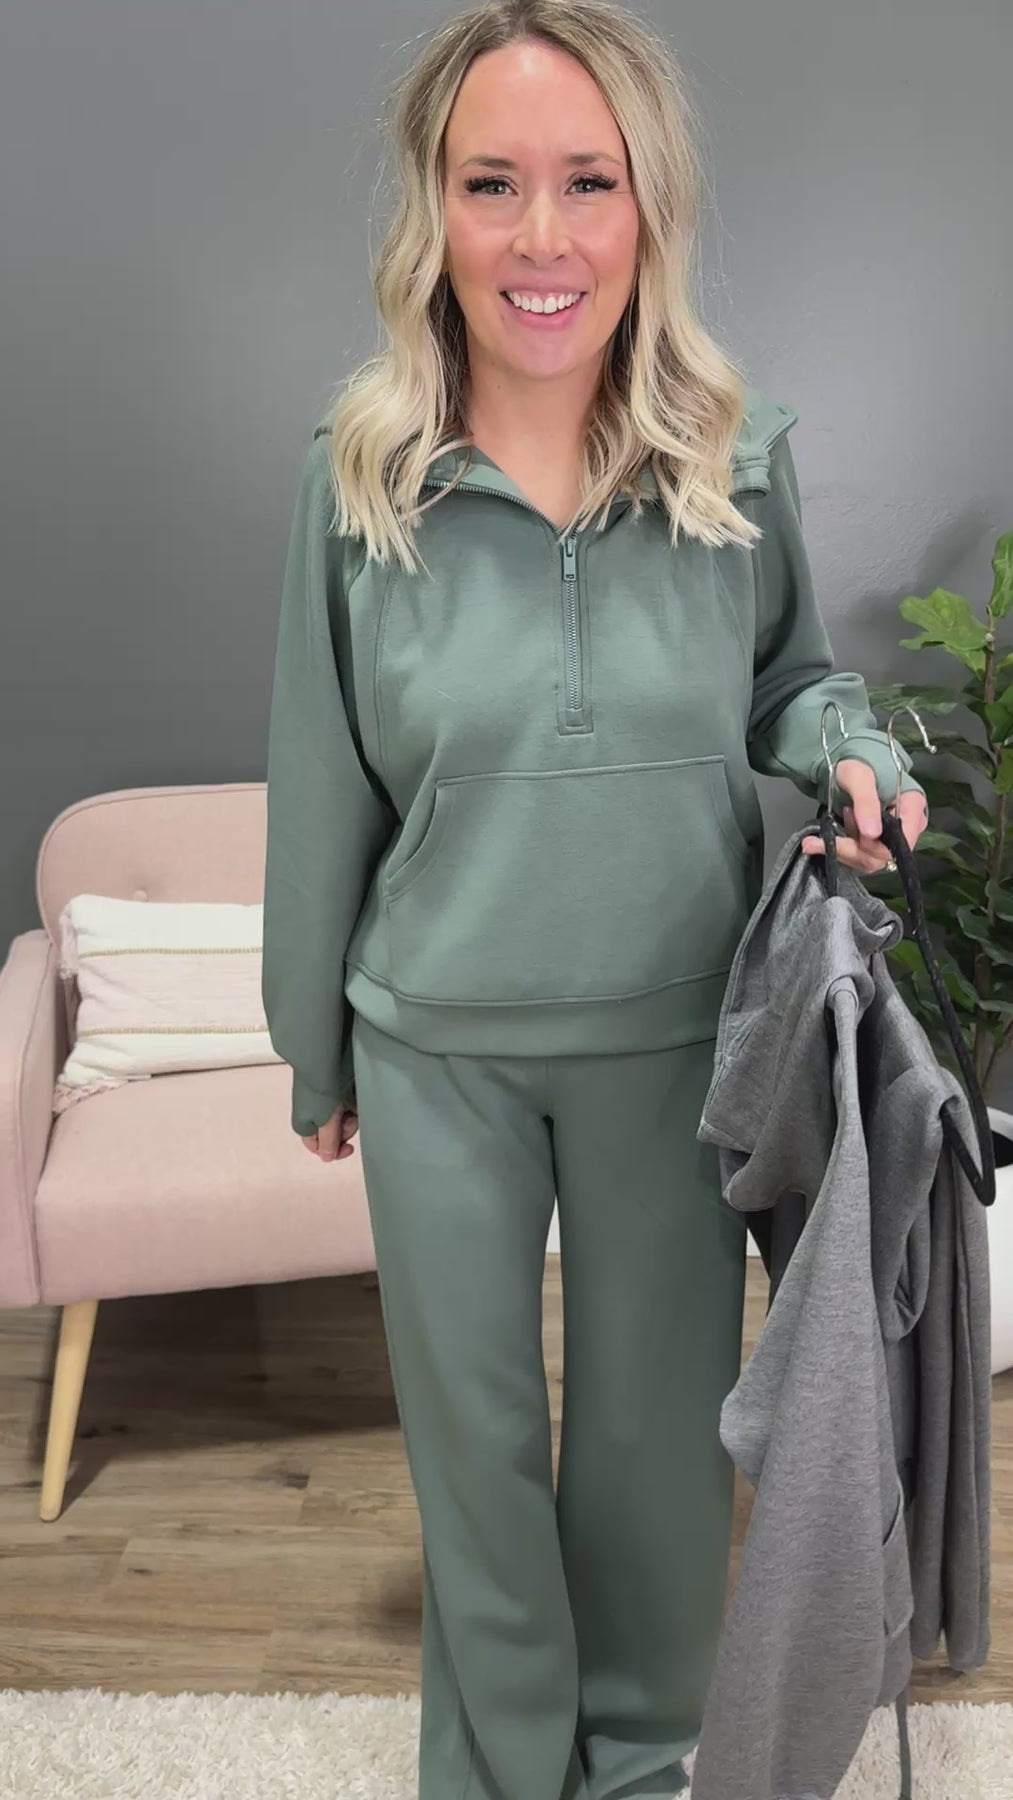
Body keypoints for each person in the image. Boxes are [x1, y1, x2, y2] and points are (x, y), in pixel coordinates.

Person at [261, 5, 930, 1798]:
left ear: (650, 206)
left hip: (674, 1040)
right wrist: (309, 1042)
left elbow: (788, 678)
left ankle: (639, 1762)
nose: (539, 236)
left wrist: (851, 749)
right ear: (432, 206)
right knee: (474, 1458)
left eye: (586, 182)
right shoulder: (358, 475)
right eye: (491, 184)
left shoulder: (734, 454)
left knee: (650, 1448)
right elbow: (319, 773)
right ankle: (497, 1771)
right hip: (436, 1052)